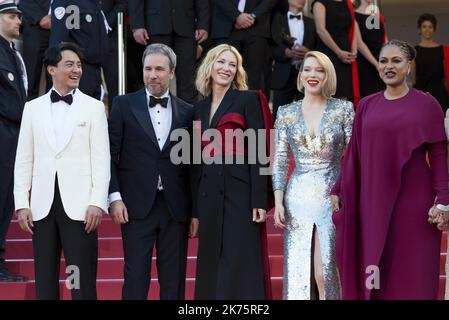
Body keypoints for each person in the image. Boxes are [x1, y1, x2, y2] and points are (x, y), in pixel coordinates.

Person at [331, 39, 449, 300]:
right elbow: (354, 154)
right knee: (376, 273)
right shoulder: (366, 105)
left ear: (409, 66)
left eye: (396, 61)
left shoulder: (427, 104)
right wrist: (338, 187)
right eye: (384, 61)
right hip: (373, 203)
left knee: (414, 275)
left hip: (415, 206)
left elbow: (439, 155)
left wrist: (443, 201)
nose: (389, 66)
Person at [14, 42, 110, 299]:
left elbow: (102, 159)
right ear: (51, 70)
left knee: (81, 281)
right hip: (42, 206)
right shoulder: (31, 109)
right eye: (70, 64)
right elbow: (24, 159)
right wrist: (22, 203)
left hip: (80, 208)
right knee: (45, 281)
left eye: (79, 65)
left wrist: (97, 202)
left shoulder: (93, 108)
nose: (77, 70)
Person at [108, 43, 195, 300]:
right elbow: (110, 155)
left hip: (175, 208)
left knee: (174, 281)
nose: (153, 75)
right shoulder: (123, 105)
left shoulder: (188, 112)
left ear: (172, 72)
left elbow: (192, 166)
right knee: (135, 278)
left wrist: (195, 212)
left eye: (159, 69)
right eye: (148, 69)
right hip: (135, 206)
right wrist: (115, 197)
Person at [192, 44, 272, 300]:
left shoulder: (248, 99)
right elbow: (195, 160)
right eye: (221, 62)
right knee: (211, 260)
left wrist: (259, 198)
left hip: (241, 192)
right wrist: (194, 210)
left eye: (232, 64)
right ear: (210, 65)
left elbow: (260, 149)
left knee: (240, 259)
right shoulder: (198, 108)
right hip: (208, 193)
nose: (226, 68)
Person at [272, 51, 353, 300]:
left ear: (328, 75)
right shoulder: (286, 112)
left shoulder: (344, 109)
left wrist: (347, 192)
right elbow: (281, 160)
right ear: (300, 74)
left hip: (333, 198)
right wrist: (277, 202)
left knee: (325, 272)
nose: (312, 75)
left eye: (319, 70)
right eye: (307, 69)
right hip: (298, 199)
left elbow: (354, 158)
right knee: (298, 275)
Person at [129, 0, 209, 104]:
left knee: (189, 81)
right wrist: (137, 25)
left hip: (186, 25)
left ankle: (192, 119)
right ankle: (152, 118)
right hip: (155, 25)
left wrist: (203, 24)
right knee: (155, 77)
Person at [0, 1, 27, 282]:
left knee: (6, 199)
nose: (17, 21)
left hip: (13, 134)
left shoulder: (13, 53)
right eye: (11, 16)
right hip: (3, 131)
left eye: (19, 16)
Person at [210, 0, 277, 92]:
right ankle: (220, 105)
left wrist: (253, 16)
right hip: (226, 25)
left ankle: (249, 106)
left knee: (254, 78)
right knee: (223, 72)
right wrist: (236, 16)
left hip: (257, 27)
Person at [50, 0, 108, 100]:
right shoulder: (70, 3)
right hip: (78, 70)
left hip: (96, 70)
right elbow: (59, 41)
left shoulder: (93, 3)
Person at [270, 0, 316, 120]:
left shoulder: (312, 23)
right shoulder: (277, 20)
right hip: (283, 75)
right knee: (279, 118)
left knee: (306, 119)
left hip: (306, 77)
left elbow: (318, 48)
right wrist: (286, 53)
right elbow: (270, 45)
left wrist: (309, 53)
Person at [312, 0, 358, 102]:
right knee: (330, 93)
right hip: (328, 54)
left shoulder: (348, 4)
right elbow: (321, 30)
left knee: (345, 96)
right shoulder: (319, 3)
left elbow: (353, 28)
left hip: (346, 56)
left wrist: (354, 50)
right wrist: (339, 52)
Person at [411, 13, 449, 113]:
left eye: (430, 27)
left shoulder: (443, 50)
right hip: (420, 93)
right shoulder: (414, 51)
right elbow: (413, 79)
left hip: (440, 94)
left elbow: (446, 77)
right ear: (419, 29)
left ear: (434, 29)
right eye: (424, 27)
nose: (427, 29)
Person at [19, 0, 52, 100]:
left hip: (61, 30)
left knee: (56, 79)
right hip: (35, 28)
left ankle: (52, 111)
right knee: (30, 78)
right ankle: (27, 112)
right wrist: (40, 17)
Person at [354, 0, 387, 97]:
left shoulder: (376, 14)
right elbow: (359, 43)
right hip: (365, 63)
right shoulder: (354, 15)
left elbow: (383, 40)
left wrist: (385, 60)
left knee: (383, 97)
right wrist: (376, 64)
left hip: (381, 62)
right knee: (368, 97)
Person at [101, 0, 127, 111]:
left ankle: (115, 124)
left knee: (115, 84)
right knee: (86, 84)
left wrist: (106, 22)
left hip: (111, 35)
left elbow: (122, 3)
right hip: (84, 35)